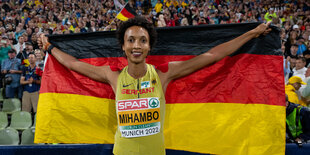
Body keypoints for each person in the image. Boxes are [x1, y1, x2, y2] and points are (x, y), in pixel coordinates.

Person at [38, 16, 271, 155]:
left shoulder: (163, 75)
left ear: (150, 47)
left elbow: (211, 55)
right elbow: (72, 63)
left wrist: (251, 34)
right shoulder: (113, 76)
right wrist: (49, 47)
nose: (136, 45)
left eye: (142, 40)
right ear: (123, 46)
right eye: (131, 40)